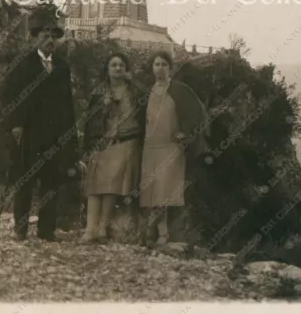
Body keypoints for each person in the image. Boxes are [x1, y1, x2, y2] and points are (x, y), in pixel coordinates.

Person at [1, 7, 79, 242]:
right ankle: (21, 228)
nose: (49, 41)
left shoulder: (62, 67)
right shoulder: (23, 65)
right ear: (35, 38)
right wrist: (15, 124)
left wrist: (69, 133)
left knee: (51, 181)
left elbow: (67, 102)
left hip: (54, 134)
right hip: (28, 132)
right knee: (25, 181)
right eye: (44, 36)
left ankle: (46, 229)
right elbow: (7, 95)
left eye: (53, 37)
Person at [139, 50, 208, 247]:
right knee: (152, 190)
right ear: (152, 68)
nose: (160, 68)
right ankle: (157, 230)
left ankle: (159, 231)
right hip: (150, 146)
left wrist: (184, 132)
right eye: (156, 64)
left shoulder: (179, 89)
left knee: (164, 189)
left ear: (171, 68)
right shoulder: (148, 91)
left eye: (164, 64)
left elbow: (197, 112)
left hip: (170, 148)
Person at [81, 52, 143, 243]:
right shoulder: (99, 93)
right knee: (94, 184)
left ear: (126, 70)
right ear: (107, 70)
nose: (117, 68)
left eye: (121, 65)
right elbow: (90, 122)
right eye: (113, 65)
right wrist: (89, 145)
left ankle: (102, 229)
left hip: (124, 142)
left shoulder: (135, 92)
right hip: (102, 142)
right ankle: (90, 229)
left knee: (110, 185)